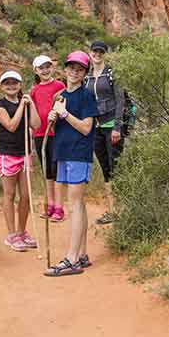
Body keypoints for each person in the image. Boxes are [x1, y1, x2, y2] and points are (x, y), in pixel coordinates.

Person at [43, 51, 100, 277]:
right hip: (63, 152)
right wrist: (53, 118)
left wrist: (64, 114)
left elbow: (87, 128)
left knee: (74, 203)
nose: (74, 71)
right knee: (79, 203)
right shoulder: (60, 96)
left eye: (79, 69)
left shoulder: (86, 96)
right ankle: (82, 254)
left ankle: (72, 259)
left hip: (78, 153)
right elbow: (59, 125)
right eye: (71, 67)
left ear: (84, 73)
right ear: (65, 69)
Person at [0, 70, 38, 252]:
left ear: (19, 84)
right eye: (7, 83)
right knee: (9, 195)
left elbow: (36, 124)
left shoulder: (25, 103)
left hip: (24, 153)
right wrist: (21, 106)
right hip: (7, 153)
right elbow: (11, 126)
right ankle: (11, 236)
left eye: (14, 82)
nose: (11, 86)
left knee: (26, 196)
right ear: (2, 86)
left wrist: (30, 103)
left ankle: (21, 232)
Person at [84, 39, 126, 225]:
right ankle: (112, 210)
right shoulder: (87, 76)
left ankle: (120, 210)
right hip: (96, 128)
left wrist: (117, 127)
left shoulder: (111, 73)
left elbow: (120, 100)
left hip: (111, 127)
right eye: (95, 51)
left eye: (101, 52)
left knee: (116, 166)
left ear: (105, 54)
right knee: (105, 168)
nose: (98, 55)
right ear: (90, 52)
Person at [28, 55, 66, 222]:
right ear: (36, 70)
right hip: (39, 134)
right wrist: (30, 130)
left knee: (57, 170)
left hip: (56, 133)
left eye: (47, 66)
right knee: (47, 172)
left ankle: (59, 207)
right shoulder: (34, 90)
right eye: (41, 68)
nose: (45, 70)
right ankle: (50, 205)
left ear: (52, 67)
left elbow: (62, 105)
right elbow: (33, 112)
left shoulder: (59, 85)